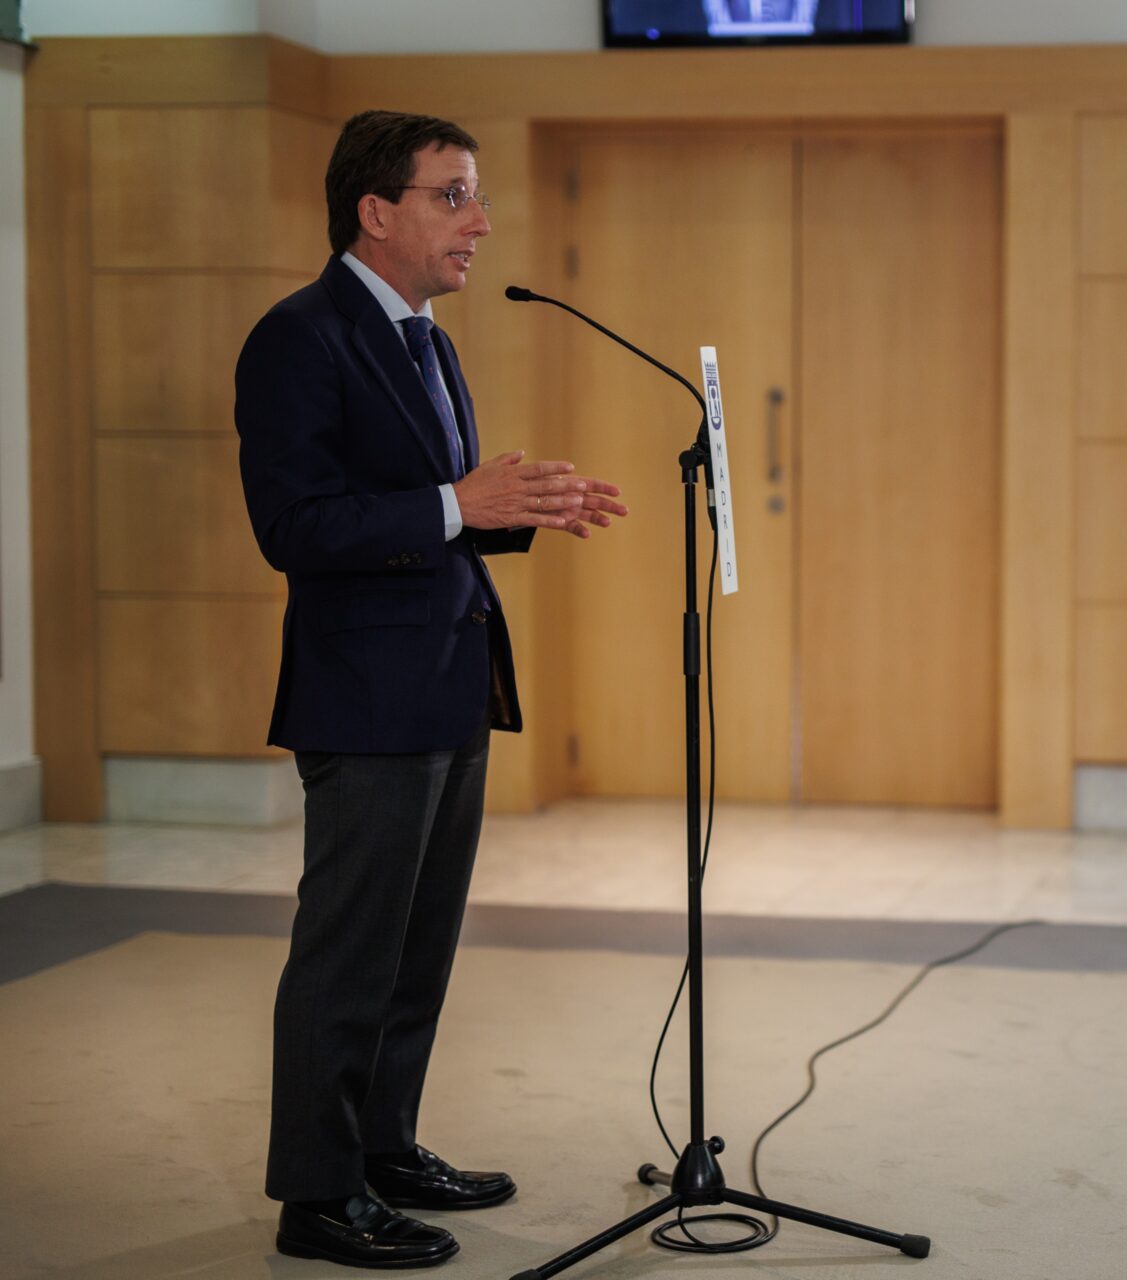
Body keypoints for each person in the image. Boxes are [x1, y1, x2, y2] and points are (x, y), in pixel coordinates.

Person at [234, 109, 628, 1270]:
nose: (481, 223)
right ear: (376, 210)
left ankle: (384, 1145)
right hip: (364, 697)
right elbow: (295, 526)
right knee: (348, 951)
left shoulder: (428, 340)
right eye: (454, 196)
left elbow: (433, 510)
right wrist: (462, 502)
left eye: (478, 197)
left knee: (417, 948)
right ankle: (318, 1195)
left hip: (450, 680)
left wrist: (514, 507)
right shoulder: (299, 338)